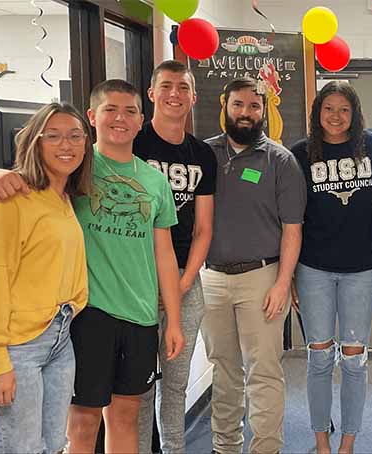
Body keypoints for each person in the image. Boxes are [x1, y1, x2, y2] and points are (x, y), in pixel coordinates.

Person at [0, 79, 185, 453]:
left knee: (124, 417)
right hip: (87, 316)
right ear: (94, 117)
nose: (120, 119)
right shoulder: (78, 169)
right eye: (110, 109)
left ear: (142, 120)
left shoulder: (147, 181)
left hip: (139, 315)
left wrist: (173, 319)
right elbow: (22, 183)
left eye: (129, 111)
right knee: (82, 422)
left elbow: (165, 253)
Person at [202, 76, 307, 454]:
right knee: (224, 370)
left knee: (264, 371)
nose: (246, 113)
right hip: (210, 279)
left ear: (264, 111)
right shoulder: (204, 155)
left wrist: (282, 283)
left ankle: (265, 448)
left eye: (254, 107)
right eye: (239, 105)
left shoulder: (281, 161)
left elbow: (292, 230)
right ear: (225, 107)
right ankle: (225, 446)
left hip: (262, 278)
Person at [0, 102, 91, 453]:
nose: (67, 145)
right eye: (54, 136)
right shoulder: (11, 199)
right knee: (21, 447)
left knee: (54, 444)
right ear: (35, 142)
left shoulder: (63, 199)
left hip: (60, 339)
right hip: (19, 348)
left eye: (75, 136)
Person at [290, 81, 372, 454]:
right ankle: (320, 440)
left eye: (343, 109)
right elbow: (292, 217)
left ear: (355, 114)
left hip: (361, 269)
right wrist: (291, 272)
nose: (335, 116)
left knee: (354, 361)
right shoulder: (300, 152)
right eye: (328, 108)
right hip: (314, 268)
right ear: (317, 113)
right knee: (318, 358)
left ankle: (347, 441)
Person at [135, 60, 217, 454]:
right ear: (152, 93)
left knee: (176, 380)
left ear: (193, 97)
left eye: (182, 87)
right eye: (166, 86)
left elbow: (203, 228)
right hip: (132, 279)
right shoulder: (130, 143)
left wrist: (182, 284)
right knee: (135, 383)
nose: (174, 94)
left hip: (185, 277)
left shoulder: (202, 155)